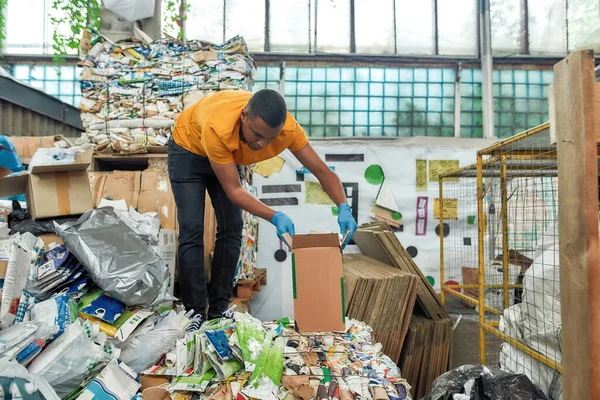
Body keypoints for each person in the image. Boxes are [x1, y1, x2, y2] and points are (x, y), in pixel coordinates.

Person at [168, 89, 358, 326]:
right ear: (244, 115)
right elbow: (234, 190)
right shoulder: (219, 126)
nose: (261, 144)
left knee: (233, 227)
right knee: (192, 227)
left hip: (227, 154)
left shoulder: (288, 130)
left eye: (270, 138)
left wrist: (344, 207)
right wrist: (275, 215)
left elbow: (321, 171)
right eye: (257, 134)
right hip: (189, 150)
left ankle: (218, 309)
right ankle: (195, 311)